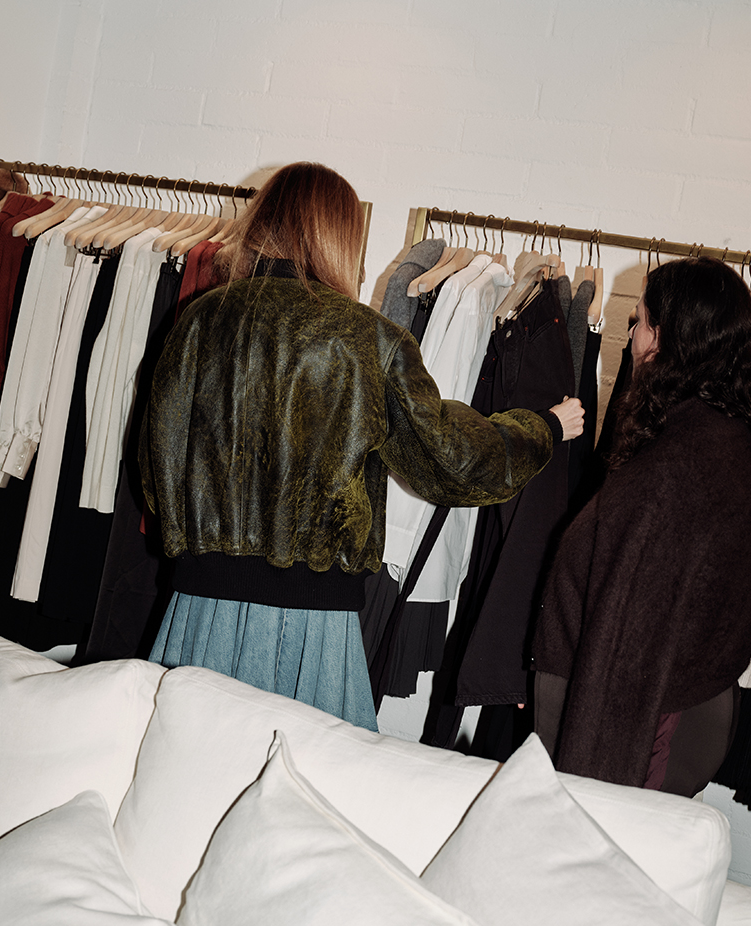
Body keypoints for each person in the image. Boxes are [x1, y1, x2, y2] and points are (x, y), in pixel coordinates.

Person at [139, 161, 584, 731]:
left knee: (188, 759)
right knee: (304, 771)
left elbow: (153, 467)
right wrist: (542, 428)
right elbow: (448, 460)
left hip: (197, 611)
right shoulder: (365, 338)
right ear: (342, 237)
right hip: (310, 624)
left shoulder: (198, 320)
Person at [533, 256, 751, 795]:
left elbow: (628, 650)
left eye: (640, 321)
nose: (631, 336)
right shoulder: (716, 437)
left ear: (670, 339)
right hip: (660, 712)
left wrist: (589, 786)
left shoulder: (680, 465)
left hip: (636, 731)